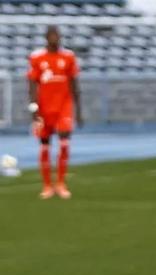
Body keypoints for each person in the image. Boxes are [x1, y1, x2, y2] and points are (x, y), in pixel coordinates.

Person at [28, 25, 82, 200]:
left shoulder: (68, 57)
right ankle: (47, 185)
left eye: (57, 35)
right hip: (44, 108)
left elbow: (74, 83)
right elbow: (32, 85)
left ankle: (60, 183)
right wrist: (33, 107)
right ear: (46, 38)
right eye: (51, 35)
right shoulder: (37, 57)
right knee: (44, 144)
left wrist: (78, 109)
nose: (55, 38)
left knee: (64, 140)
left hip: (64, 106)